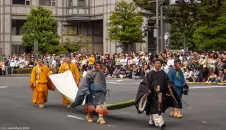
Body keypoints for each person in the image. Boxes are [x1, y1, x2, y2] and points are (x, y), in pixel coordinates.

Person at [135, 59, 182, 129]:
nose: (158, 65)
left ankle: (152, 120)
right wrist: (147, 90)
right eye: (156, 63)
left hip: (160, 94)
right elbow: (145, 83)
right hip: (152, 94)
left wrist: (168, 85)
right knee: (156, 108)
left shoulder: (163, 73)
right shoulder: (150, 73)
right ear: (154, 64)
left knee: (158, 107)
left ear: (161, 64)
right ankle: (160, 123)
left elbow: (167, 81)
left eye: (159, 63)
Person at [71, 60, 108, 124]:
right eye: (97, 65)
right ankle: (89, 116)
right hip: (91, 91)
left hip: (100, 91)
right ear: (94, 65)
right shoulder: (90, 73)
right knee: (91, 104)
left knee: (101, 104)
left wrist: (104, 89)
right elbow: (85, 83)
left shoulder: (101, 73)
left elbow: (103, 82)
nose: (98, 66)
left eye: (99, 65)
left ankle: (101, 118)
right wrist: (86, 90)